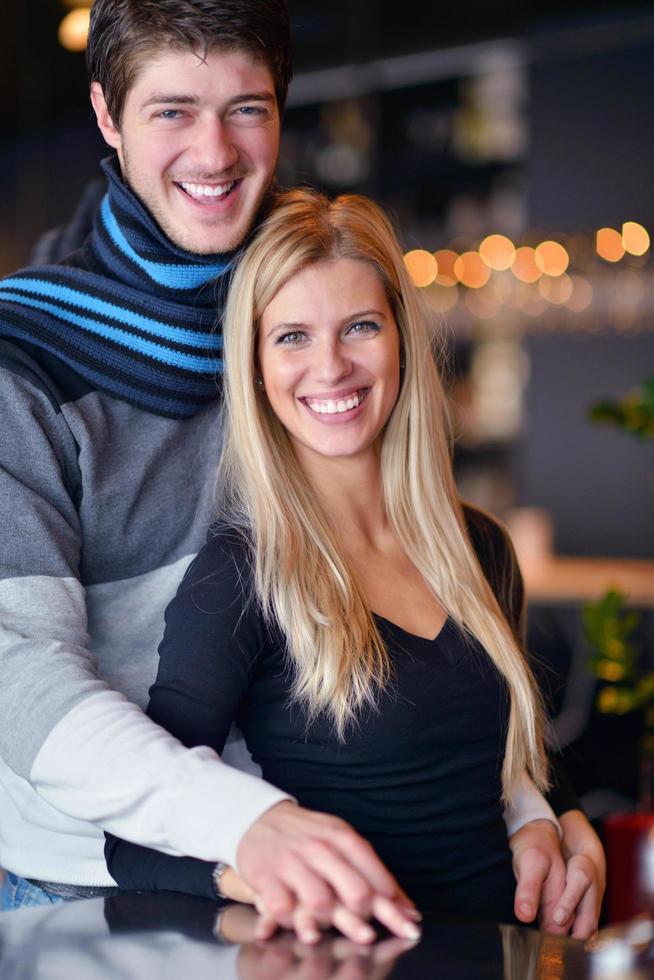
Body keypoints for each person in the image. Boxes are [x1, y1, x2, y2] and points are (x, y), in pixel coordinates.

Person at [0, 0, 603, 940]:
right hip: (97, 873)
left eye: (246, 107)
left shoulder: (308, 272)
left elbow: (446, 673)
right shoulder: (27, 354)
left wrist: (534, 810)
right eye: (170, 110)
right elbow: (18, 676)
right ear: (107, 117)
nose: (214, 151)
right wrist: (240, 823)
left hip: (315, 872)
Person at [103, 188, 603, 938]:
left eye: (360, 326)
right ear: (256, 367)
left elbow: (499, 745)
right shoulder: (242, 576)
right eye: (292, 337)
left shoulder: (482, 550)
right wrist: (263, 883)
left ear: (401, 338)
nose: (330, 367)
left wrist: (562, 821)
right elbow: (135, 840)